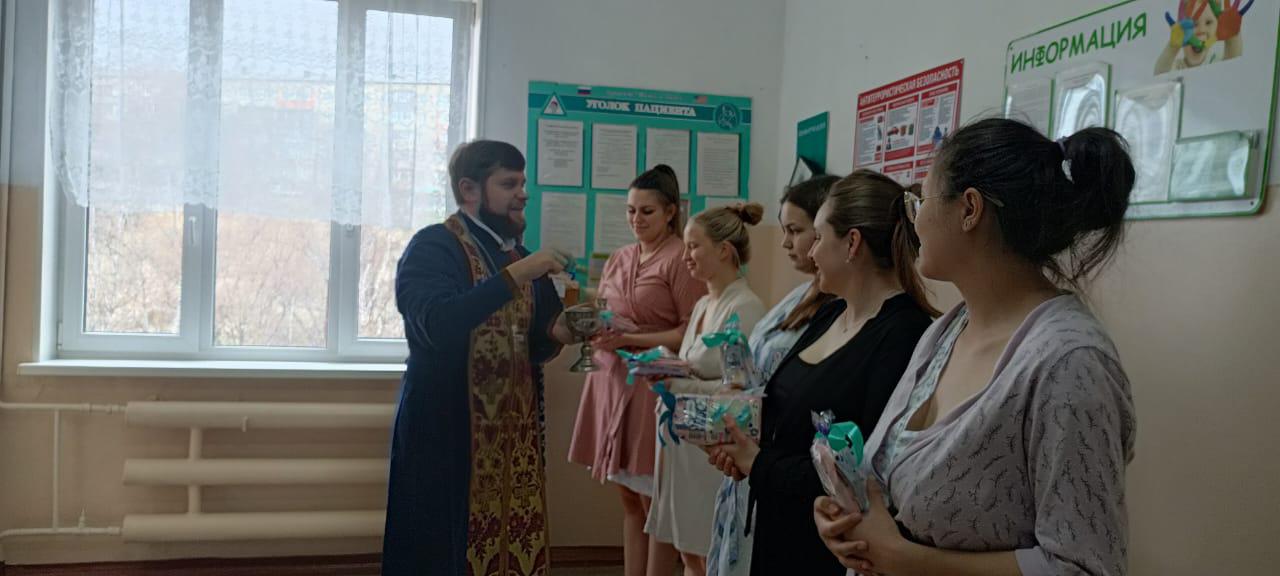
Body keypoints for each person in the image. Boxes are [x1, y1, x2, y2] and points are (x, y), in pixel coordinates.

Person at [814, 119, 1138, 576]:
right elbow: (887, 479)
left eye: (921, 201)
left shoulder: (1069, 363)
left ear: (969, 209)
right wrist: (848, 518)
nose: (914, 220)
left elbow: (1083, 566)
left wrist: (906, 560)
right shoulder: (946, 332)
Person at [708, 170, 937, 576]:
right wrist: (740, 440)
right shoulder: (831, 313)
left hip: (829, 549)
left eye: (817, 237)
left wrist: (758, 463)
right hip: (778, 527)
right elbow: (789, 414)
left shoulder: (904, 334)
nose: (810, 253)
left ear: (852, 243)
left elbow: (866, 473)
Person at [381, 140, 579, 576]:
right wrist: (519, 273)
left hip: (513, 437)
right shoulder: (433, 246)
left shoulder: (518, 254)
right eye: (509, 184)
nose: (523, 195)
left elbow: (540, 338)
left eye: (523, 184)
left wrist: (571, 329)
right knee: (439, 548)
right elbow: (437, 324)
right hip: (446, 432)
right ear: (469, 189)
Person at [569, 165, 707, 576]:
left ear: (670, 212)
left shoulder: (679, 259)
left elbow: (689, 332)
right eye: (631, 211)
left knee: (654, 504)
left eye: (646, 211)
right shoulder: (620, 257)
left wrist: (632, 339)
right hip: (610, 384)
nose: (636, 220)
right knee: (628, 499)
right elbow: (604, 309)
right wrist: (599, 329)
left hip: (651, 388)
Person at [706, 175, 839, 576]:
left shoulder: (840, 309)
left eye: (795, 231)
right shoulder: (798, 296)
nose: (785, 243)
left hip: (780, 469)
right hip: (750, 461)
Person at [644, 204, 768, 576]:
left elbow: (743, 391)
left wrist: (677, 382)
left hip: (711, 449)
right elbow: (695, 366)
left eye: (693, 246)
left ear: (724, 250)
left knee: (704, 554)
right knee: (688, 553)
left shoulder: (745, 308)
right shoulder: (702, 304)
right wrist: (666, 365)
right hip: (682, 440)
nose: (685, 256)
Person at [1154, 0, 1246, 74]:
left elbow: (1233, 65)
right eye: (1193, 24)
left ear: (1218, 26)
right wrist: (1173, 47)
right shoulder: (1177, 66)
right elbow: (1159, 75)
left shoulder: (1215, 60)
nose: (1201, 30)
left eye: (1208, 22)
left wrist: (1232, 37)